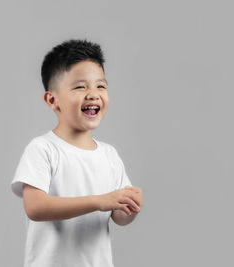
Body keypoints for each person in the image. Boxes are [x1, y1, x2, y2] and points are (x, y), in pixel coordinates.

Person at [10, 39, 143, 267]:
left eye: (101, 86)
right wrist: (99, 201)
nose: (93, 94)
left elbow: (119, 217)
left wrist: (130, 207)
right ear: (52, 100)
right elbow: (35, 207)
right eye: (81, 87)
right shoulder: (43, 149)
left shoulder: (110, 156)